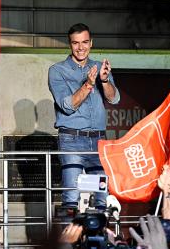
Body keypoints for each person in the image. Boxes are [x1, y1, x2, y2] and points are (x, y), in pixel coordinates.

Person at [48, 23, 120, 209]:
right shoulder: (57, 70)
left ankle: (99, 237)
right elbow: (67, 106)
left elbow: (113, 98)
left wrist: (104, 81)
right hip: (71, 140)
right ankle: (69, 238)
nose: (81, 48)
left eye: (85, 42)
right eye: (76, 43)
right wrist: (88, 84)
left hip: (98, 141)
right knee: (71, 197)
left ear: (91, 43)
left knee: (101, 197)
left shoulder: (99, 66)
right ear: (70, 44)